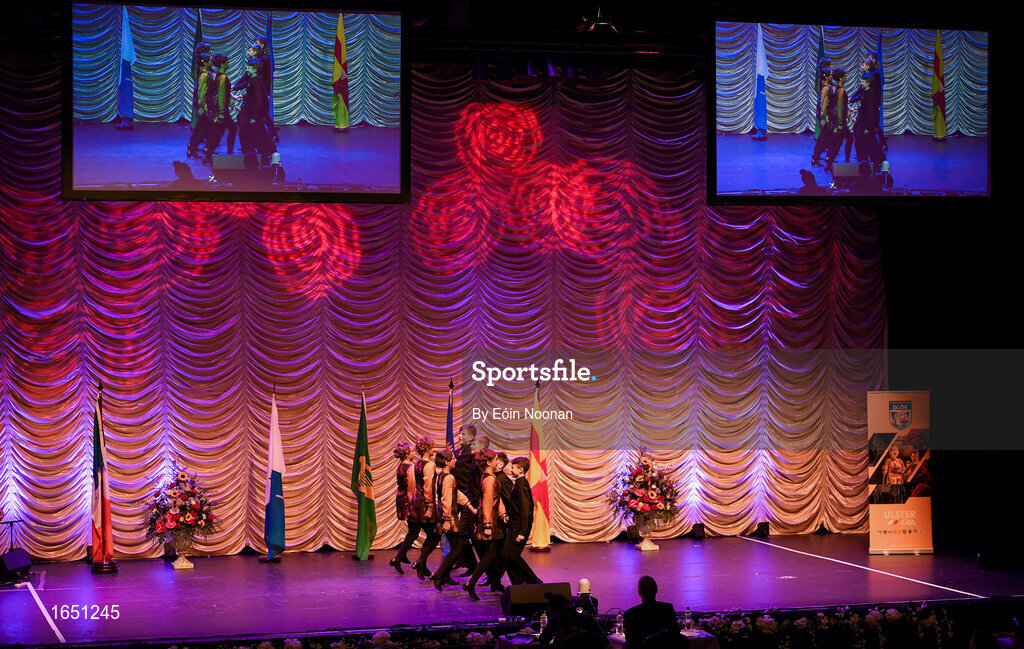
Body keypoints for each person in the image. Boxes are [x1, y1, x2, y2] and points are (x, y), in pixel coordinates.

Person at [431, 450, 477, 591]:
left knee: (456, 546)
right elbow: (446, 498)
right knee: (457, 547)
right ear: (446, 462)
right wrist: (446, 518)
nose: (455, 461)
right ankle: (439, 574)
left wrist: (470, 507)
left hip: (447, 515)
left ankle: (444, 575)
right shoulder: (448, 477)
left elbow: (456, 493)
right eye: (453, 459)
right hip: (448, 516)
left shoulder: (443, 476)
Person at [463, 449, 505, 600]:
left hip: (492, 518)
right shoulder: (489, 479)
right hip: (489, 520)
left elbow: (496, 499)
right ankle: (471, 583)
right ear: (488, 462)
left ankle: (495, 582)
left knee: (494, 554)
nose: (496, 462)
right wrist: (487, 526)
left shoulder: (489, 477)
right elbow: (487, 503)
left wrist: (503, 513)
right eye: (494, 459)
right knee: (489, 555)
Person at [503, 456, 542, 585]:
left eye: (513, 467)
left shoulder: (522, 486)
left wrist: (522, 532)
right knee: (506, 556)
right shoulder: (518, 484)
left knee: (513, 556)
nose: (510, 469)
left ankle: (533, 579)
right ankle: (517, 582)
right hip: (513, 525)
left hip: (520, 527)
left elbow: (526, 511)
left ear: (521, 470)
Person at [408, 437, 441, 580]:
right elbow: (428, 487)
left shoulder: (417, 463)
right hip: (424, 503)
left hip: (417, 501)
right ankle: (420, 562)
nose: (434, 450)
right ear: (427, 449)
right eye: (432, 447)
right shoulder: (429, 465)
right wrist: (431, 506)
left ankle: (422, 567)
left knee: (431, 535)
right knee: (434, 536)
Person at [623, 576, 680, 649]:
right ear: (656, 590)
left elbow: (630, 643)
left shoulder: (630, 614)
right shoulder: (667, 609)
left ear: (639, 593)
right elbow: (676, 635)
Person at [202, 54, 237, 164]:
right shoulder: (222, 77)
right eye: (227, 62)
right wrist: (222, 112)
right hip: (221, 110)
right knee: (220, 132)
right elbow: (221, 94)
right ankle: (211, 154)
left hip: (221, 109)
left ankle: (209, 154)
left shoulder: (219, 76)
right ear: (222, 64)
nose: (228, 64)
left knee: (219, 132)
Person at [389, 441, 415, 574]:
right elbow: (411, 491)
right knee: (413, 531)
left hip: (401, 498)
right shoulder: (409, 468)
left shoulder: (400, 466)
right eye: (412, 452)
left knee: (413, 531)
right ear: (407, 454)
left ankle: (401, 555)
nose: (414, 453)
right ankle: (398, 558)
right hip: (407, 500)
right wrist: (412, 507)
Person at [538, 592, 602, 646]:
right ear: (568, 603)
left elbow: (544, 640)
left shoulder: (555, 621)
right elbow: (601, 638)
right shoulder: (587, 618)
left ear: (553, 609)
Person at [825, 68, 852, 172]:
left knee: (846, 140)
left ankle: (843, 161)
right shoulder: (840, 90)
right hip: (840, 122)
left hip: (839, 121)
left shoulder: (837, 88)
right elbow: (840, 107)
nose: (846, 77)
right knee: (837, 144)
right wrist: (840, 123)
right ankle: (831, 164)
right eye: (845, 76)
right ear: (841, 78)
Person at [187, 52, 212, 159]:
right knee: (203, 129)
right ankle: (192, 148)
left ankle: (192, 147)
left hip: (204, 105)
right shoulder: (204, 75)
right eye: (210, 59)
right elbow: (201, 92)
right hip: (204, 106)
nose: (212, 61)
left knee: (200, 128)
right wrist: (202, 106)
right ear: (205, 62)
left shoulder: (205, 73)